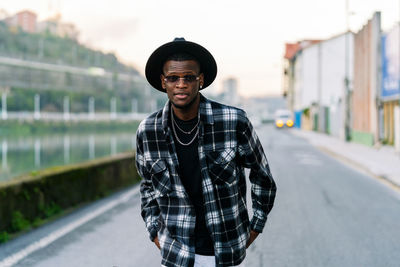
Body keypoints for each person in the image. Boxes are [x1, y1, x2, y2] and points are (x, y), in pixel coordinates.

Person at [136, 38, 277, 267]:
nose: (181, 84)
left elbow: (263, 177)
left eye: (189, 77)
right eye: (173, 78)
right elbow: (147, 187)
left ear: (200, 80)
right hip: (175, 253)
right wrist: (154, 231)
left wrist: (255, 227)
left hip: (225, 252)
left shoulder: (233, 121)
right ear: (163, 82)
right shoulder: (148, 131)